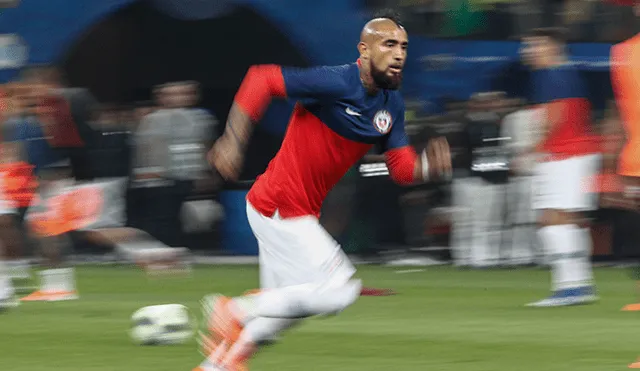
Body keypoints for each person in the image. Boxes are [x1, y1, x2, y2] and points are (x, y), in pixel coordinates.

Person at [193, 11, 452, 371]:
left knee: (283, 315)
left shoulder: (391, 106)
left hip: (293, 210)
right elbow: (261, 79)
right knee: (337, 291)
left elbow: (400, 169)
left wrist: (426, 167)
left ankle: (216, 366)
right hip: (279, 204)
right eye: (389, 44)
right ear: (364, 50)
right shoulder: (336, 82)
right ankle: (231, 309)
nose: (399, 54)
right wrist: (233, 141)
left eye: (404, 46)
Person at [520, 27, 600, 307]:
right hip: (575, 155)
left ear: (552, 47)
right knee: (566, 222)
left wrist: (531, 150)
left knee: (554, 222)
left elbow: (555, 117)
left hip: (567, 156)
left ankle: (569, 289)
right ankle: (579, 285)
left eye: (533, 45)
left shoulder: (554, 74)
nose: (527, 51)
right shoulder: (566, 73)